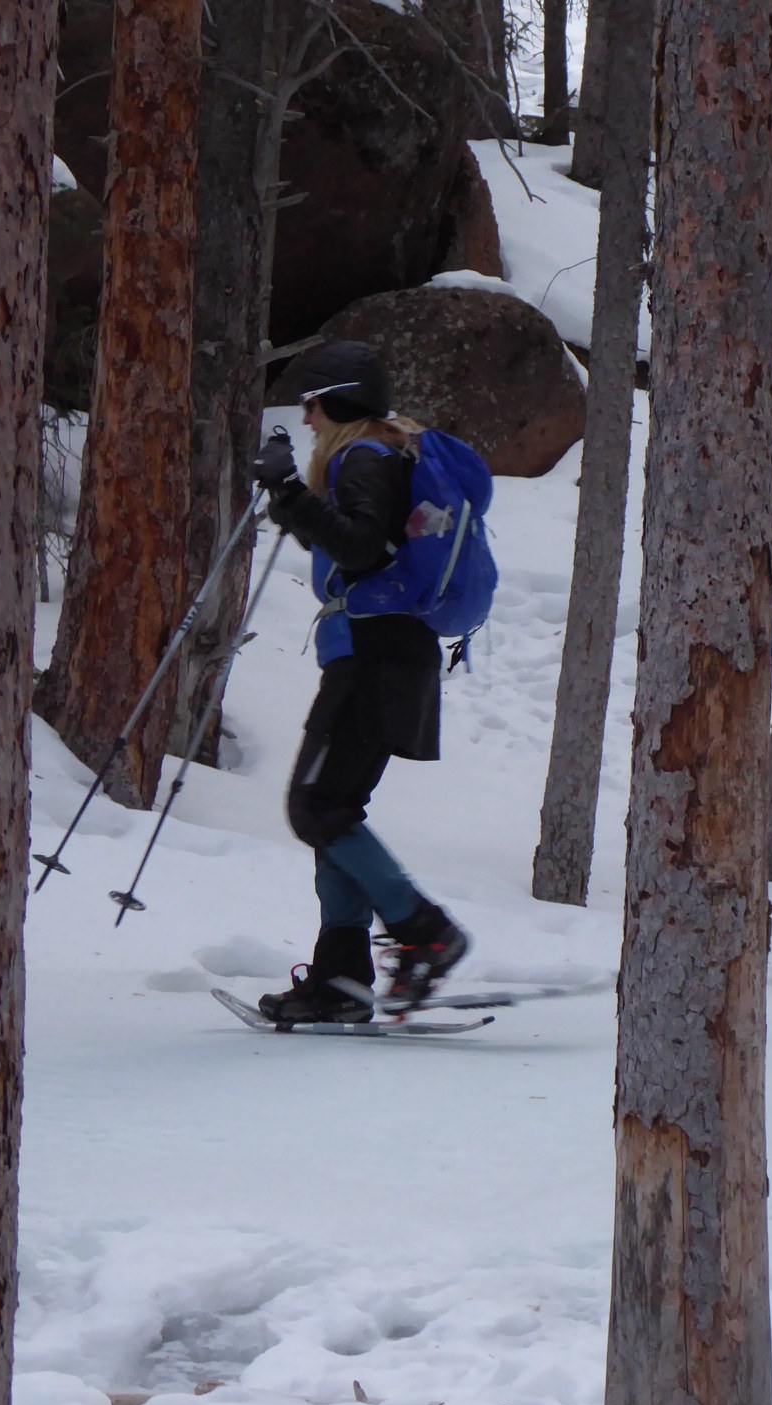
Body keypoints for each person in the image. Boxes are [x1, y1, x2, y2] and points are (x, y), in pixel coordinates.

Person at [248, 340, 470, 1024]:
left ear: (337, 400)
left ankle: (425, 931)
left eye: (312, 403)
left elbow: (363, 546)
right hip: (386, 654)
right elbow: (358, 543)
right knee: (332, 809)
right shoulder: (376, 456)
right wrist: (291, 499)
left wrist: (288, 491)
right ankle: (341, 982)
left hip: (377, 657)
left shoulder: (365, 456)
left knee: (316, 807)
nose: (307, 418)